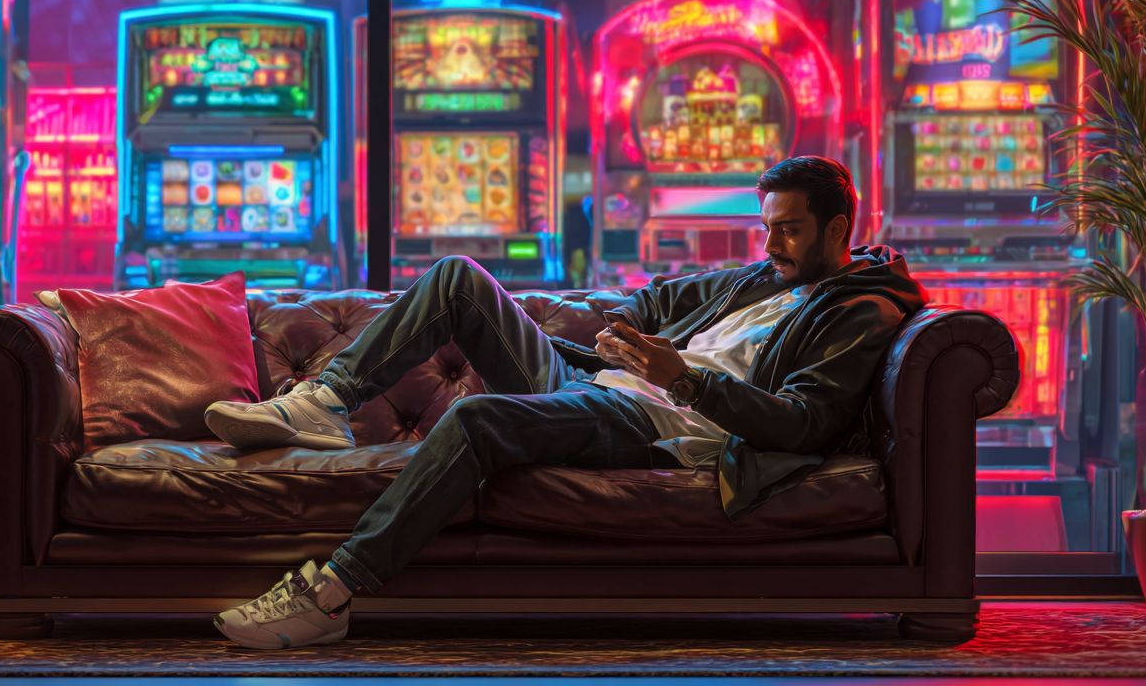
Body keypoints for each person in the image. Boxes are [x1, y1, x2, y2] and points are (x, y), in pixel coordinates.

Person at [202, 156, 927, 650]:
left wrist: (683, 378)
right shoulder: (763, 277)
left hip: (658, 425)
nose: (770, 242)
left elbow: (807, 422)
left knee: (477, 417)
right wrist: (626, 336)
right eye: (765, 225)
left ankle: (331, 593)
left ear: (838, 230)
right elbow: (661, 297)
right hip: (608, 385)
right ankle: (324, 400)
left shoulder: (859, 314)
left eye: (789, 228)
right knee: (458, 277)